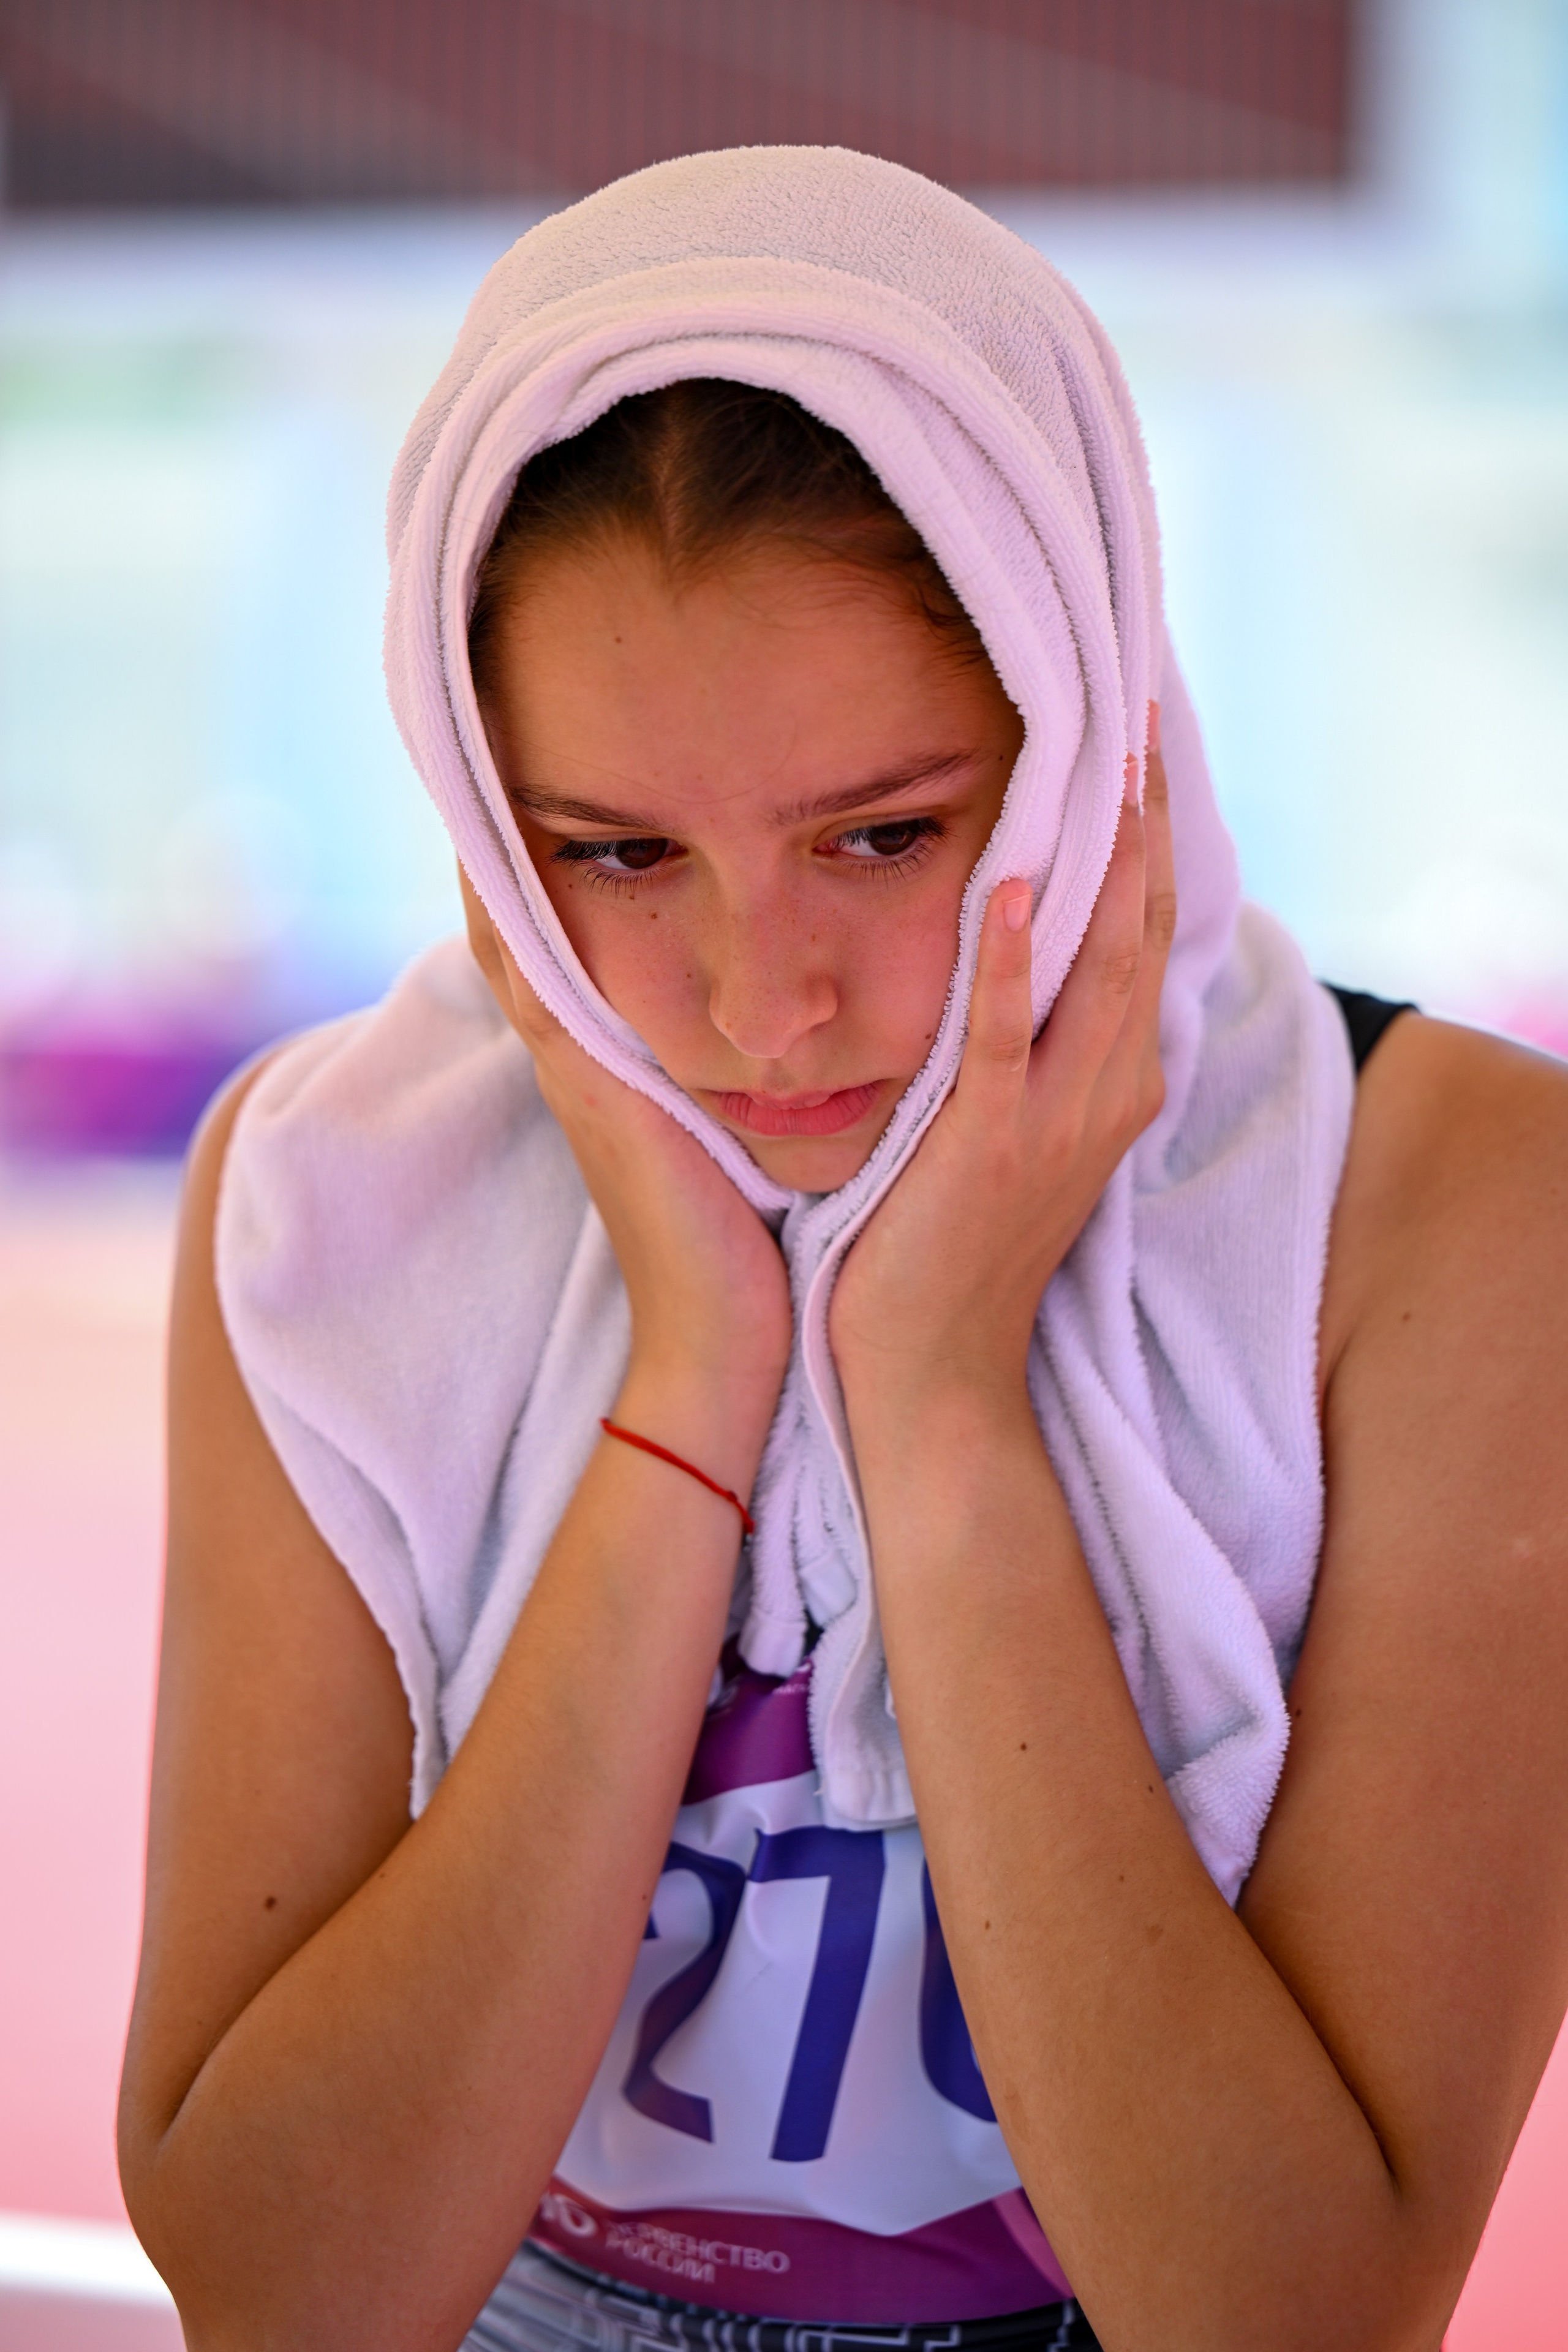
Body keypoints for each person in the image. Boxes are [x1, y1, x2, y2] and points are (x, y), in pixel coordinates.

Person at [117, 150, 1568, 2352]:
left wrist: (939, 1393)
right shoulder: (336, 1189)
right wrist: (694, 1374)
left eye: (885, 835)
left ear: (1097, 744)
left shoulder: (1442, 1201)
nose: (755, 1004)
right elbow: (291, 2294)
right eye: (610, 854)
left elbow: (1293, 2317)